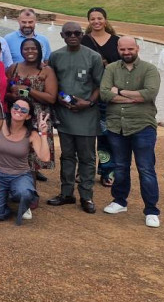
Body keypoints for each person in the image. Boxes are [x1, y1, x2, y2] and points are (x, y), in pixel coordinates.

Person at [100, 36, 162, 228]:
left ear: (137, 48)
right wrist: (134, 97)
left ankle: (151, 210)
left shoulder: (149, 69)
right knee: (120, 166)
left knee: (146, 168)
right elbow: (104, 93)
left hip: (142, 125)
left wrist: (119, 92)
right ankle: (120, 201)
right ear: (118, 49)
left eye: (130, 49)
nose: (126, 53)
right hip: (116, 125)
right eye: (123, 49)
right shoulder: (111, 69)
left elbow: (149, 93)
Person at [47, 22, 103, 214]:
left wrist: (89, 103)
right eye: (68, 33)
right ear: (62, 35)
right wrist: (59, 100)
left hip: (87, 115)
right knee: (67, 156)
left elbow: (99, 86)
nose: (73, 36)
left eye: (77, 33)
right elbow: (51, 82)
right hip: (64, 115)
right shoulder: (56, 56)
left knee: (87, 157)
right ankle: (66, 193)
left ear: (82, 35)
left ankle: (86, 196)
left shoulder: (93, 57)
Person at [0, 98, 51, 225]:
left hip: (20, 175)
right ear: (11, 108)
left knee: (24, 192)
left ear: (28, 116)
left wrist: (44, 134)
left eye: (23, 110)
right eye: (16, 107)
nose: (18, 110)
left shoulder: (31, 134)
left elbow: (44, 158)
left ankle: (24, 200)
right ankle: (7, 204)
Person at [6, 38, 58, 184]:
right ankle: (13, 189)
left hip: (38, 117)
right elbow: (4, 93)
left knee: (34, 155)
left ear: (40, 50)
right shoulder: (13, 68)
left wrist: (28, 90)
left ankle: (31, 191)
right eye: (26, 49)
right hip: (17, 116)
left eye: (33, 48)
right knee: (16, 152)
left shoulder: (46, 70)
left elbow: (51, 98)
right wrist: (12, 95)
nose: (30, 52)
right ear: (21, 51)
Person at [82, 7, 121, 187]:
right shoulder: (83, 41)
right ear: (88, 21)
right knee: (85, 135)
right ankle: (83, 171)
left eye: (99, 18)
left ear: (105, 20)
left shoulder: (116, 41)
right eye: (92, 18)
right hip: (88, 93)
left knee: (106, 134)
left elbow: (123, 67)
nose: (96, 21)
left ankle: (107, 171)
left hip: (108, 95)